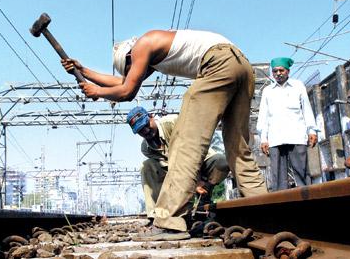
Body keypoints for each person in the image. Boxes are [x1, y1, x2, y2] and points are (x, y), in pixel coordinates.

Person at [62, 29, 267, 240]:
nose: (135, 72)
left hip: (216, 66)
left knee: (184, 144)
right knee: (238, 148)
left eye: (131, 68)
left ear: (130, 57)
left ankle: (170, 221)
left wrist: (96, 92)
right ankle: (266, 212)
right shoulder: (154, 49)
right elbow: (124, 83)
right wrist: (83, 71)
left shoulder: (143, 44)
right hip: (241, 65)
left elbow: (127, 91)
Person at [126, 106, 230, 224]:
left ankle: (206, 191)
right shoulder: (146, 149)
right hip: (176, 173)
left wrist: (198, 180)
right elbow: (171, 169)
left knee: (221, 162)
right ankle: (156, 217)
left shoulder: (173, 123)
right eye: (140, 130)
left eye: (146, 126)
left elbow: (193, 151)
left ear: (151, 117)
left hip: (200, 162)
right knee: (147, 166)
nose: (146, 131)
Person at [257, 57, 318, 192]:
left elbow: (307, 109)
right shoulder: (267, 90)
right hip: (275, 138)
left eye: (281, 70)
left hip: (296, 135)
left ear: (288, 71)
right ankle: (281, 204)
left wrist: (312, 130)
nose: (278, 73)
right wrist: (263, 139)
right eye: (275, 71)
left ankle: (306, 199)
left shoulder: (298, 86)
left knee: (302, 171)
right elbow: (263, 116)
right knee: (277, 176)